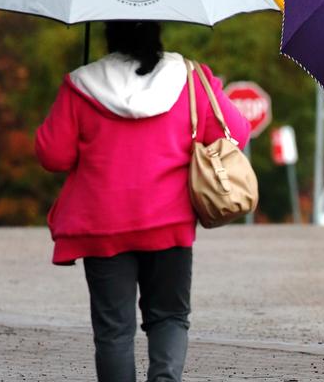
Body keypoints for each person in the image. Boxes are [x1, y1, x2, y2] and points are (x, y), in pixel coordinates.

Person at [35, 21, 250, 382]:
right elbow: (237, 133)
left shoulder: (81, 85)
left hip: (102, 227)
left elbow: (53, 155)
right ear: (157, 32)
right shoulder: (190, 76)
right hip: (170, 223)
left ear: (108, 35)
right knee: (168, 317)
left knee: (114, 332)